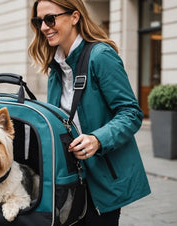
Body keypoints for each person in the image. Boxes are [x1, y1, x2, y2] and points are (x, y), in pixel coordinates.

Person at [28, 1, 150, 225]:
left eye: (50, 19)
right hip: (70, 179)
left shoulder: (100, 56)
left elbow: (131, 113)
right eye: (38, 21)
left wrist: (97, 139)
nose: (44, 27)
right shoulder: (56, 65)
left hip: (102, 178)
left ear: (75, 17)